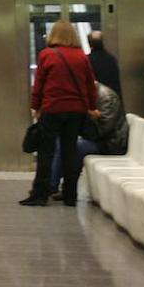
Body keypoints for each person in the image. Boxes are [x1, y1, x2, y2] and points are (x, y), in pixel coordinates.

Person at [20, 20, 99, 207]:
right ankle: (70, 195)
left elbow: (39, 84)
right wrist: (91, 106)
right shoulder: (81, 56)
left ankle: (40, 194)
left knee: (46, 153)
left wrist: (35, 106)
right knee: (69, 152)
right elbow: (90, 84)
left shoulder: (47, 55)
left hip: (53, 109)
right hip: (76, 111)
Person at [49, 81, 127, 199]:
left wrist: (86, 115)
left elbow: (104, 129)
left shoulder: (107, 97)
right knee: (62, 142)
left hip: (111, 142)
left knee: (76, 147)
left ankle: (64, 188)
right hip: (98, 138)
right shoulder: (88, 96)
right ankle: (53, 185)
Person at [87, 30, 121, 96]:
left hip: (98, 96)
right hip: (113, 95)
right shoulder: (112, 58)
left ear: (89, 44)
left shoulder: (88, 60)